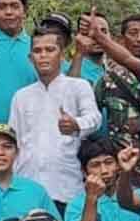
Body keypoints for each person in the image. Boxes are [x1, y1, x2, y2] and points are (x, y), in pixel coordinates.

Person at [10, 25, 102, 211]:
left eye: (50, 49)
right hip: (27, 186)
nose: (43, 55)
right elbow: (14, 141)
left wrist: (76, 124)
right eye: (37, 51)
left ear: (61, 55)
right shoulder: (21, 96)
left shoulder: (78, 86)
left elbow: (95, 118)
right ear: (30, 58)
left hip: (66, 187)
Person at [92, 13, 140, 188]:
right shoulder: (108, 80)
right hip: (124, 169)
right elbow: (91, 118)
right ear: (121, 39)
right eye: (133, 33)